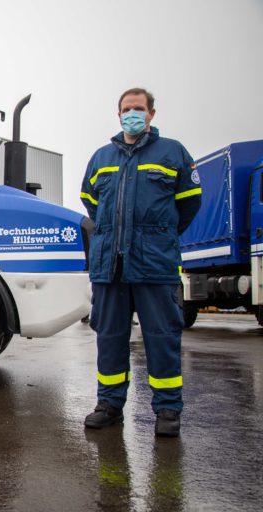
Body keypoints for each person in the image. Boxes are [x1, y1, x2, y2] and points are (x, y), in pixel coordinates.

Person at [80, 88, 202, 437]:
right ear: (117, 115)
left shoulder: (173, 152)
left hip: (154, 264)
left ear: (151, 113)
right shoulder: (101, 157)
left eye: (138, 108)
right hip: (110, 266)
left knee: (162, 337)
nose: (131, 114)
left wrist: (158, 235)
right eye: (125, 109)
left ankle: (167, 410)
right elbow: (91, 202)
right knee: (110, 336)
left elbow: (190, 204)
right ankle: (109, 404)